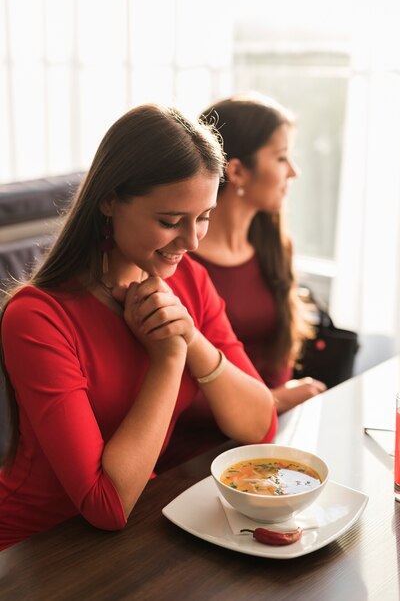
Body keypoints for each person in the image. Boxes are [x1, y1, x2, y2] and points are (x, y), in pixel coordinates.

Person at [0, 103, 277, 550]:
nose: (191, 242)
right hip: (35, 550)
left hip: (134, 532)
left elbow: (260, 426)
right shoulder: (38, 317)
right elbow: (106, 504)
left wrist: (192, 339)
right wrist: (169, 360)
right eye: (170, 222)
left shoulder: (189, 280)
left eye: (203, 216)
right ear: (108, 200)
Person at [156, 94, 326, 473]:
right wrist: (275, 400)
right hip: (198, 460)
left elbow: (279, 347)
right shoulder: (176, 264)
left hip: (273, 439)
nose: (293, 172)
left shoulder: (272, 245)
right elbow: (174, 392)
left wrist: (278, 408)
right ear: (237, 172)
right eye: (281, 157)